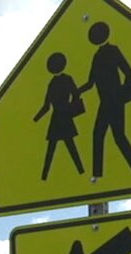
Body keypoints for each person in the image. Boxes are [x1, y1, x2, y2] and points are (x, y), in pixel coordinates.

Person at [77, 21, 131, 177]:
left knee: (115, 136)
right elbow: (91, 82)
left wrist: (122, 92)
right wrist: (78, 91)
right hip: (105, 102)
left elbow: (128, 70)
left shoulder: (113, 50)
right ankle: (99, 174)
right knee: (102, 135)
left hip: (115, 100)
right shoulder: (97, 56)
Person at [32, 52, 85, 180]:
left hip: (58, 117)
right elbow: (76, 95)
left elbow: (47, 106)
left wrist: (36, 119)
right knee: (63, 146)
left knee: (62, 147)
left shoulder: (54, 83)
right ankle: (46, 176)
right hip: (63, 117)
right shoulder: (63, 80)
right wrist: (34, 120)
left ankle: (46, 176)